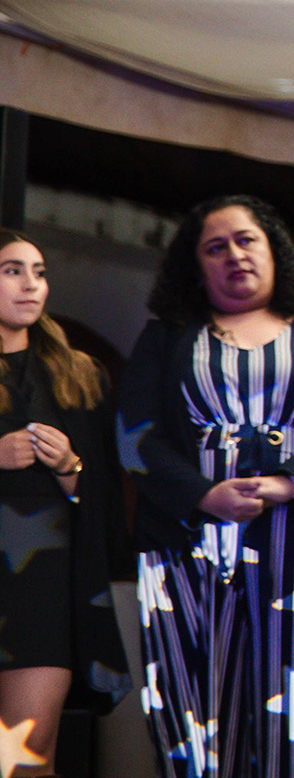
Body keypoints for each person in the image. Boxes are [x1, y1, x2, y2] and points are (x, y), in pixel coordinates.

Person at [121, 195, 294, 778]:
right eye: (216, 248)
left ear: (274, 252)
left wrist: (292, 481)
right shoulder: (167, 339)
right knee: (195, 719)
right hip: (186, 549)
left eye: (246, 240)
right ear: (197, 269)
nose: (234, 254)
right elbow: (132, 437)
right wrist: (202, 495)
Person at [0, 229, 130, 777]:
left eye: (40, 272)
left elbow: (105, 498)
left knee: (22, 761)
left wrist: (70, 468)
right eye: (12, 271)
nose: (31, 284)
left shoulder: (79, 374)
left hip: (45, 593)